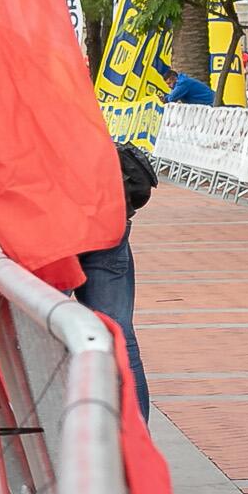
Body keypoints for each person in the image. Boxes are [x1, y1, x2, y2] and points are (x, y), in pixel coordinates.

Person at [76, 142, 155, 418]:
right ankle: (137, 436)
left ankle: (52, 444)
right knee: (119, 333)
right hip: (106, 208)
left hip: (53, 217)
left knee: (41, 333)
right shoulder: (75, 103)